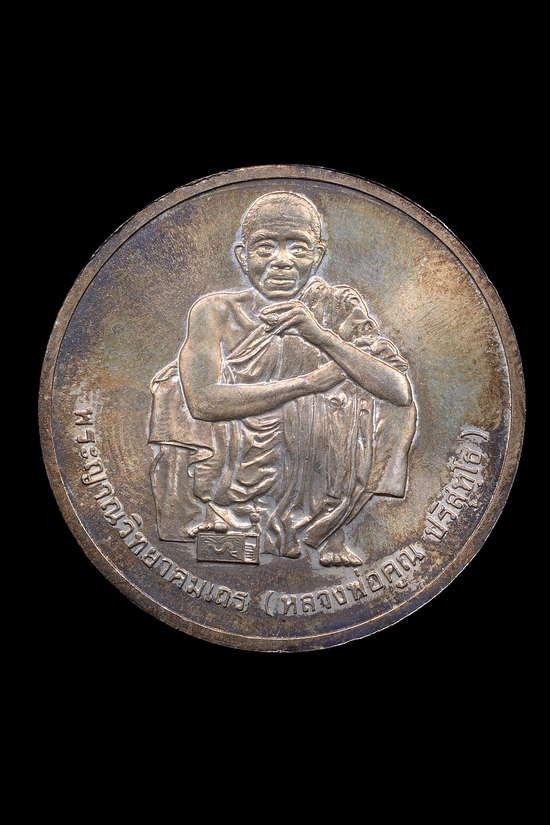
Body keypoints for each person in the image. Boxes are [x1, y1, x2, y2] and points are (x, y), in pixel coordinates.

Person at [149, 192, 416, 566]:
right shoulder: (215, 311)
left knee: (367, 388)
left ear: (317, 256)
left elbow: (399, 391)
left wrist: (320, 336)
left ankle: (329, 526)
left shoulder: (337, 306)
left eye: (298, 248)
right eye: (265, 248)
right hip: (235, 447)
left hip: (318, 444)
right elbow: (202, 402)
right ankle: (214, 514)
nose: (282, 261)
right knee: (172, 387)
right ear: (242, 256)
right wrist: (306, 384)